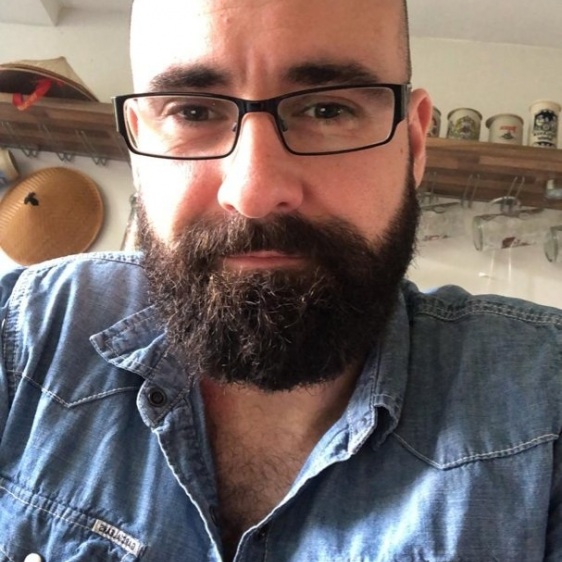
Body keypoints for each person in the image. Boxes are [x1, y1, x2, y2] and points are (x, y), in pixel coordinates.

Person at [0, 0, 561, 560]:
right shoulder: (25, 337)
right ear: (136, 149)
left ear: (413, 145)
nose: (254, 191)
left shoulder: (545, 409)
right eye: (193, 112)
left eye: (327, 110)